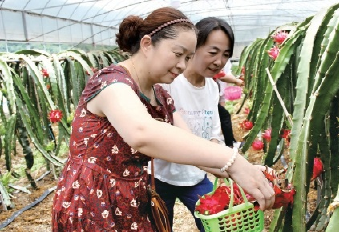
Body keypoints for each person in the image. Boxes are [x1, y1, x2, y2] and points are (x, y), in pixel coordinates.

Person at [51, 7, 275, 231]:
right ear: (147, 44)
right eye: (178, 54)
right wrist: (232, 160)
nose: (182, 65)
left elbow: (189, 143)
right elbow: (142, 134)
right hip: (93, 203)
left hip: (133, 201)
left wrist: (249, 171)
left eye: (188, 58)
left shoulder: (161, 96)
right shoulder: (111, 82)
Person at [153, 17, 244, 232]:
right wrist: (224, 164)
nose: (219, 61)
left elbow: (213, 132)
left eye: (226, 55)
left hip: (195, 177)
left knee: (217, 226)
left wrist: (221, 158)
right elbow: (166, 138)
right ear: (194, 47)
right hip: (160, 177)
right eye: (213, 52)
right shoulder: (170, 84)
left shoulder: (212, 88)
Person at [215, 59, 243, 148]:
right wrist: (236, 81)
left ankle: (229, 142)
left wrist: (236, 79)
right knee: (224, 116)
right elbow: (220, 75)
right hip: (209, 93)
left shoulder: (225, 61)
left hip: (217, 93)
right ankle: (229, 144)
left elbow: (226, 74)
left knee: (223, 116)